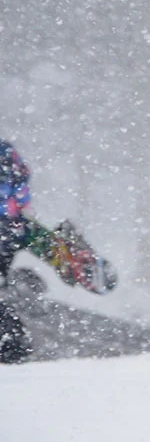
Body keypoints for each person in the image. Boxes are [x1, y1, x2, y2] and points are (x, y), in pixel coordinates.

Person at [0, 138, 34, 362]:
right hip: (9, 231)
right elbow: (22, 187)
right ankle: (13, 345)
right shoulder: (7, 152)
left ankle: (12, 346)